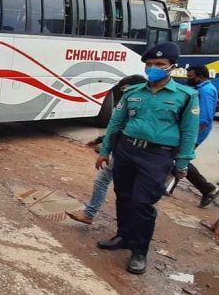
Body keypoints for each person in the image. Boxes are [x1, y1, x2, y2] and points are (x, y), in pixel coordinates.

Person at [95, 42, 199, 275]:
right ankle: (123, 235)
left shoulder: (186, 96)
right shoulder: (133, 92)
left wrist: (182, 163)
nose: (153, 68)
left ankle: (139, 250)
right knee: (123, 195)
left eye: (159, 64)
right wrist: (105, 150)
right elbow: (116, 122)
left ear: (172, 67)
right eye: (149, 64)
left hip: (158, 155)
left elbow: (189, 132)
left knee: (142, 203)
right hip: (127, 150)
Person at [66, 75, 147, 224]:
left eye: (124, 89)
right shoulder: (138, 103)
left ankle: (91, 214)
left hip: (129, 152)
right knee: (127, 187)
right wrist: (101, 142)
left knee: (105, 182)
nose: (123, 93)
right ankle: (129, 221)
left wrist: (104, 148)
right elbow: (116, 126)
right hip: (131, 151)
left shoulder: (136, 104)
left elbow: (120, 127)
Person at [183, 65, 219, 207]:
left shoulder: (206, 91)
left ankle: (208, 189)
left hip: (195, 133)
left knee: (180, 160)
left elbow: (203, 118)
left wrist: (190, 137)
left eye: (191, 77)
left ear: (201, 76)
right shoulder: (200, 89)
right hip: (191, 132)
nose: (188, 80)